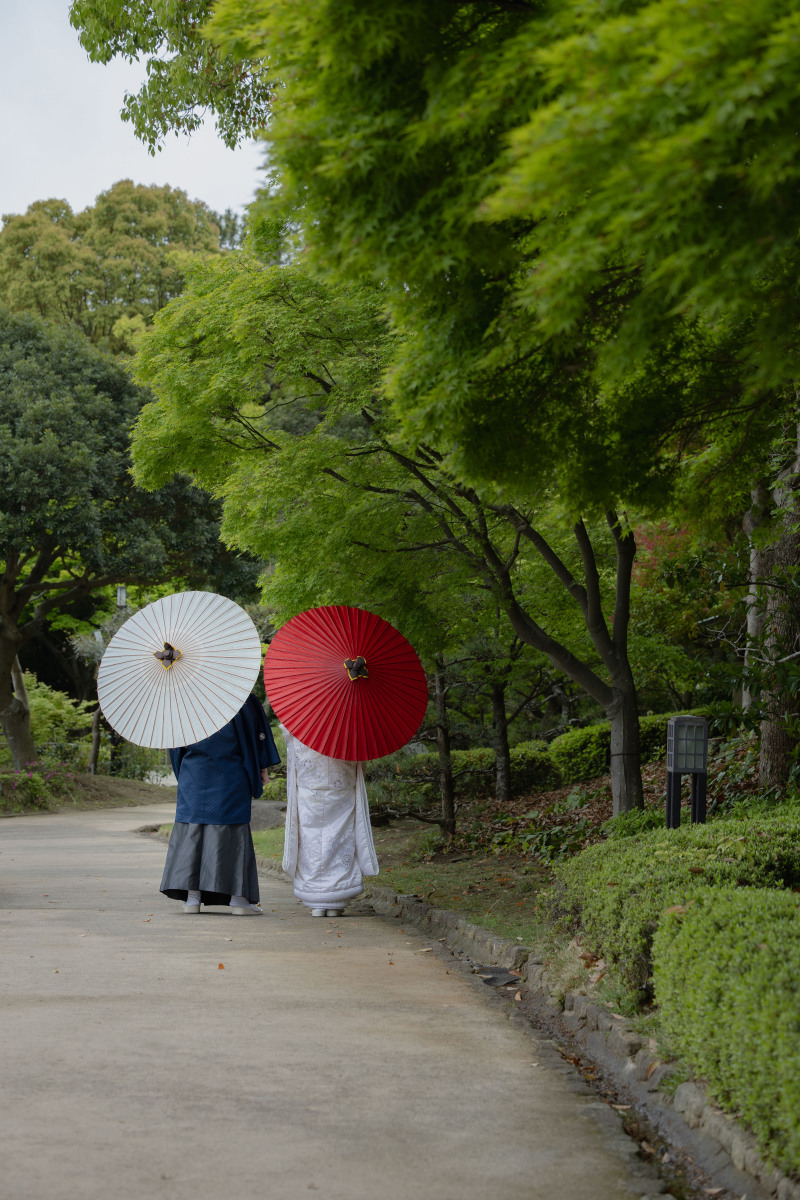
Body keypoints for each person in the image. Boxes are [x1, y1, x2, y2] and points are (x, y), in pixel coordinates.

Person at [161, 693, 281, 915]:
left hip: (193, 772)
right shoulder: (240, 696)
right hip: (230, 772)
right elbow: (253, 740)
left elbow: (175, 745)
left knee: (193, 830)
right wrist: (260, 769)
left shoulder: (185, 697)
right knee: (233, 831)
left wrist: (185, 775)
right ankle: (238, 900)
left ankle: (192, 899)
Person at [280, 723, 379, 917]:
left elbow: (290, 744)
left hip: (310, 788)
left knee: (311, 841)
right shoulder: (350, 721)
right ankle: (337, 899)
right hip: (341, 786)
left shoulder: (301, 719)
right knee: (341, 839)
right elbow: (360, 756)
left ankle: (316, 901)